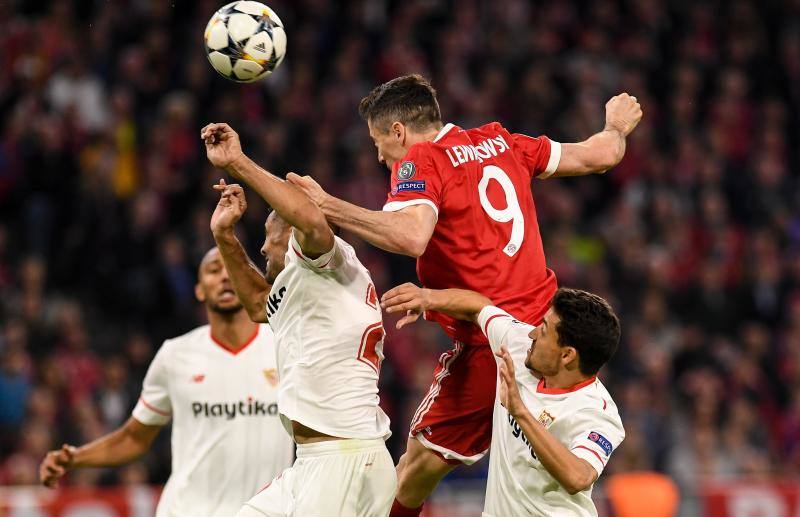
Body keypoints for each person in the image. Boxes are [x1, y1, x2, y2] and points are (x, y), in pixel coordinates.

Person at [287, 74, 642, 515]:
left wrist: (327, 205)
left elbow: (412, 235)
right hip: (549, 333)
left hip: (495, 342)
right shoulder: (501, 141)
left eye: (379, 141)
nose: (379, 155)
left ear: (399, 131)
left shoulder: (422, 159)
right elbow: (600, 155)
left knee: (411, 474)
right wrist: (616, 126)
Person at [201, 122, 396, 517]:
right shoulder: (307, 282)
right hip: (313, 462)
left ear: (291, 235)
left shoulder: (328, 260)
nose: (262, 245)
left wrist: (237, 162)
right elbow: (259, 306)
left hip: (343, 459)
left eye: (268, 234)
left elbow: (310, 219)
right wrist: (224, 237)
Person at [38, 247, 294, 517]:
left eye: (232, 268)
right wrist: (76, 458)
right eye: (213, 270)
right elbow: (135, 437)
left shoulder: (283, 345)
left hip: (266, 512)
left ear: (249, 279)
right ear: (199, 290)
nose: (225, 277)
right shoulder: (175, 355)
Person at [381, 283, 624, 516]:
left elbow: (578, 477)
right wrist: (429, 298)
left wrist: (520, 413)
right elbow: (480, 307)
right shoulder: (519, 346)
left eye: (544, 328)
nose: (532, 332)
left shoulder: (597, 413)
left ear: (568, 355)